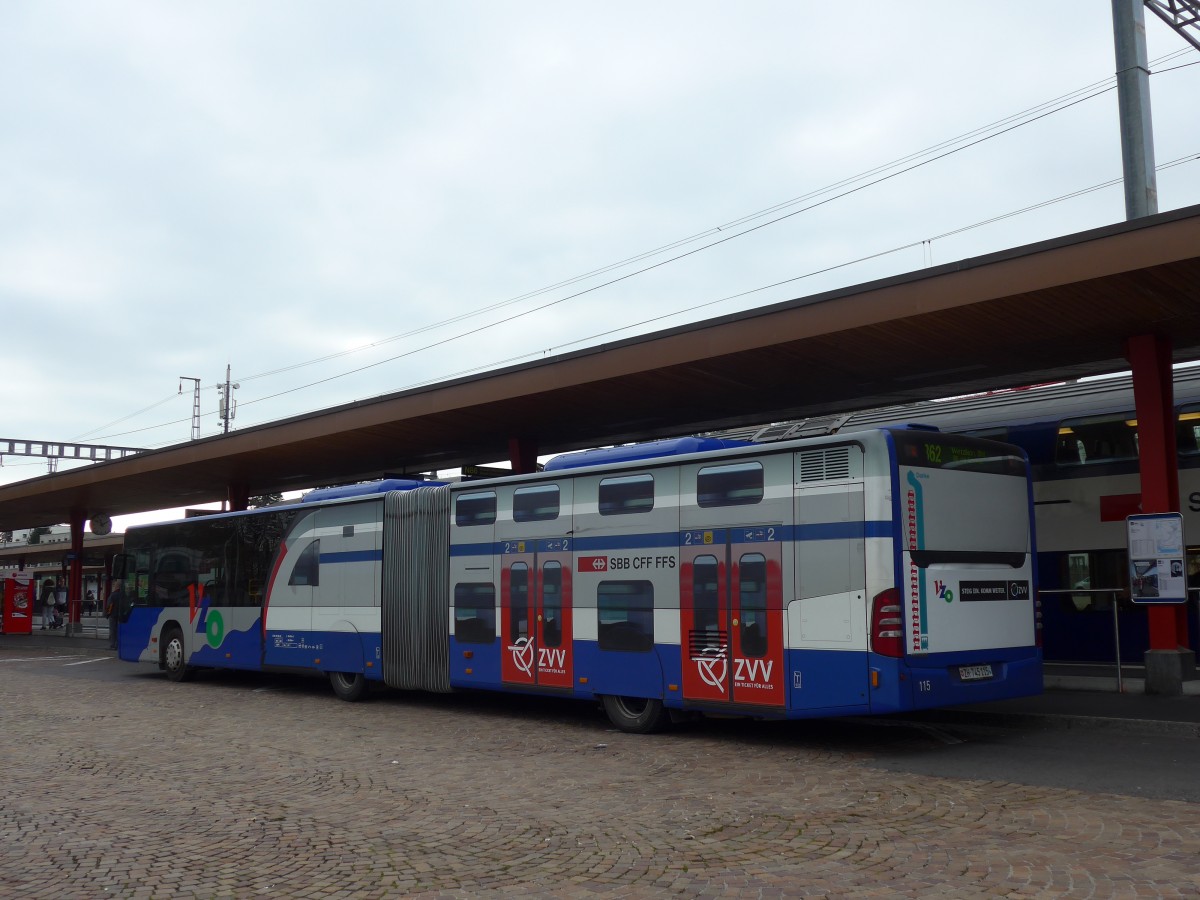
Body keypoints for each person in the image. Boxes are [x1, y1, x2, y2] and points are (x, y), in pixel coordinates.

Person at [106, 581, 125, 651]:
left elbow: (110, 605)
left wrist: (108, 614)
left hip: (113, 615)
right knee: (118, 630)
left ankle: (112, 645)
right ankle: (118, 644)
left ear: (116, 586)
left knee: (113, 630)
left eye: (114, 585)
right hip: (120, 615)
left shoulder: (113, 595)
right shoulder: (123, 595)